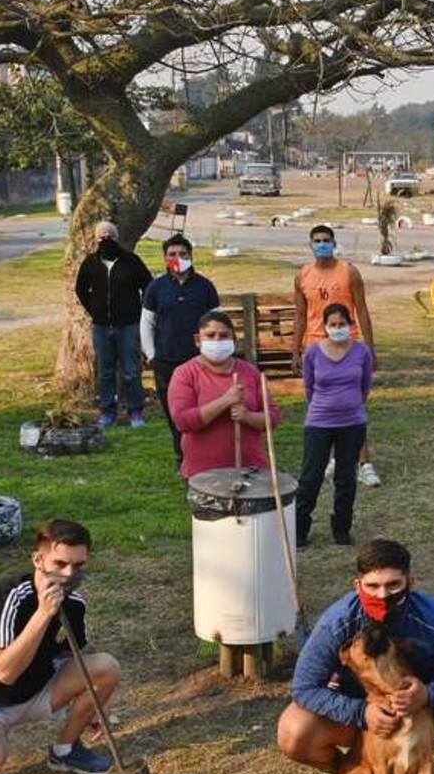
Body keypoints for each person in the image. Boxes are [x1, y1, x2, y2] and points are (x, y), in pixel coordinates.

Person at [276, 538, 434, 774]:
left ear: (410, 583)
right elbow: (304, 687)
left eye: (393, 585)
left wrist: (429, 694)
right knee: (294, 730)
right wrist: (361, 713)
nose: (382, 595)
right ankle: (345, 773)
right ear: (357, 585)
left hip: (422, 717)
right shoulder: (337, 623)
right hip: (358, 722)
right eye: (372, 586)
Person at [0, 519, 122, 774]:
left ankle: (65, 750)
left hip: (35, 692)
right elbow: (5, 673)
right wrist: (43, 615)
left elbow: (72, 657)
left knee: (106, 666)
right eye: (60, 564)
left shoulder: (73, 604)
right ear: (38, 559)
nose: (69, 574)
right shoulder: (5, 598)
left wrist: (99, 702)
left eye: (78, 566)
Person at [292, 224, 382, 488]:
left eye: (326, 240)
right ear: (310, 245)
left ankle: (364, 463)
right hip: (316, 346)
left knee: (354, 405)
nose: (322, 244)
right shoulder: (302, 275)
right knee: (320, 405)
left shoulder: (348, 272)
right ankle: (333, 456)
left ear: (334, 243)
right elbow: (300, 314)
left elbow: (361, 309)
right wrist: (295, 349)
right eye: (317, 240)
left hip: (346, 345)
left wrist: (370, 347)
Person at [296, 303, 375, 548]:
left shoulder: (362, 352)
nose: (338, 328)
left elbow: (365, 385)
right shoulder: (312, 353)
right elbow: (309, 387)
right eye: (333, 324)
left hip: (352, 423)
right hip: (319, 423)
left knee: (346, 478)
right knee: (311, 477)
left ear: (350, 325)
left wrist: (351, 406)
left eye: (342, 324)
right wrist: (325, 407)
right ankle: (299, 529)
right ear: (325, 326)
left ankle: (341, 529)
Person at [166, 311, 280, 479]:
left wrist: (247, 416)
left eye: (224, 335)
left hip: (251, 470)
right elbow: (183, 421)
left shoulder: (250, 372)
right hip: (203, 475)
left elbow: (273, 418)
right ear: (198, 340)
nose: (217, 340)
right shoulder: (185, 373)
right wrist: (225, 401)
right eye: (210, 335)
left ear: (234, 339)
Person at [140, 234, 220, 465]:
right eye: (172, 254)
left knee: (202, 410)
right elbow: (146, 323)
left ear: (191, 256)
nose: (178, 258)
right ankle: (183, 457)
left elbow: (218, 320)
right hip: (166, 361)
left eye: (182, 254)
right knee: (174, 412)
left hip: (200, 361)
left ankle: (205, 454)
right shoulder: (156, 287)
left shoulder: (205, 286)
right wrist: (152, 355)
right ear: (165, 258)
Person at [74, 221, 152, 428]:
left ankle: (135, 411)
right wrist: (95, 310)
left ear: (116, 238)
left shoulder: (132, 261)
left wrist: (140, 311)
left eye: (109, 236)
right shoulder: (90, 263)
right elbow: (81, 289)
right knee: (105, 372)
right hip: (101, 327)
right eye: (101, 237)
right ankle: (107, 412)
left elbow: (148, 285)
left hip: (128, 326)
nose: (105, 239)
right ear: (96, 240)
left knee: (131, 371)